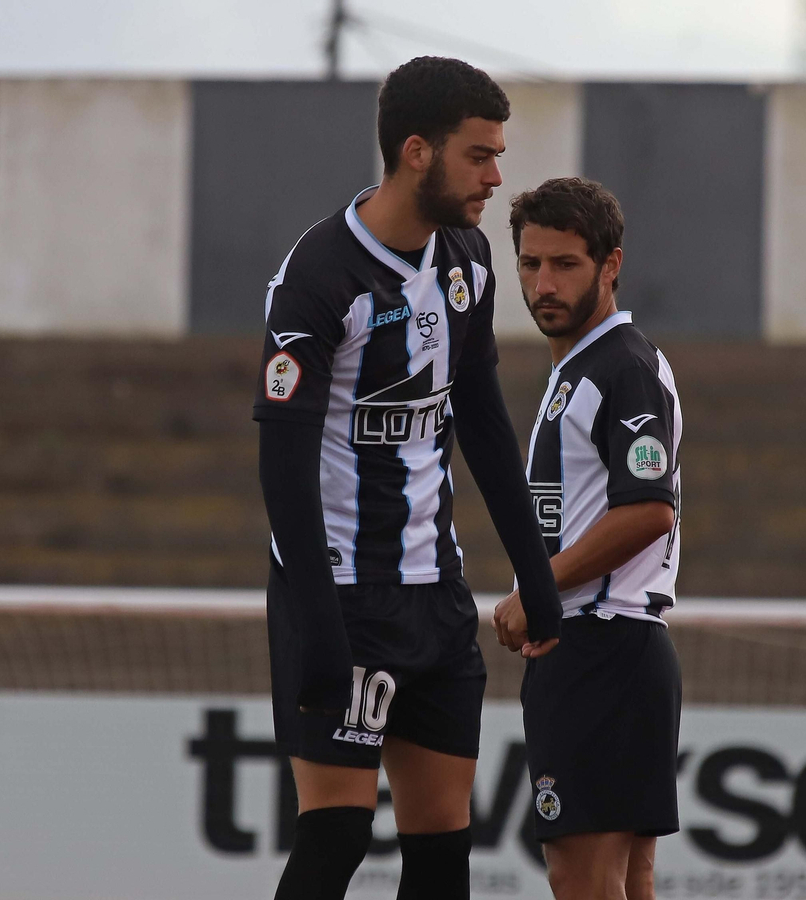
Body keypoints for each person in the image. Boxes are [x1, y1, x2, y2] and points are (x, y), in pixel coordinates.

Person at [254, 57, 561, 900]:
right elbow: (281, 468)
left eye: (500, 155)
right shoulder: (319, 277)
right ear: (417, 151)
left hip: (436, 593)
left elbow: (487, 426)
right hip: (344, 598)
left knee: (440, 855)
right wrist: (315, 621)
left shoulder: (465, 258)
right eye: (479, 156)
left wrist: (537, 575)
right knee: (337, 837)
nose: (497, 177)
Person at [491, 177, 684, 900]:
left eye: (565, 264)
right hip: (608, 651)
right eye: (530, 263)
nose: (544, 282)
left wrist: (536, 594)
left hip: (601, 646)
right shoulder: (578, 368)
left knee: (583, 879)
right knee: (626, 880)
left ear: (610, 265)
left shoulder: (621, 366)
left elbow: (647, 510)